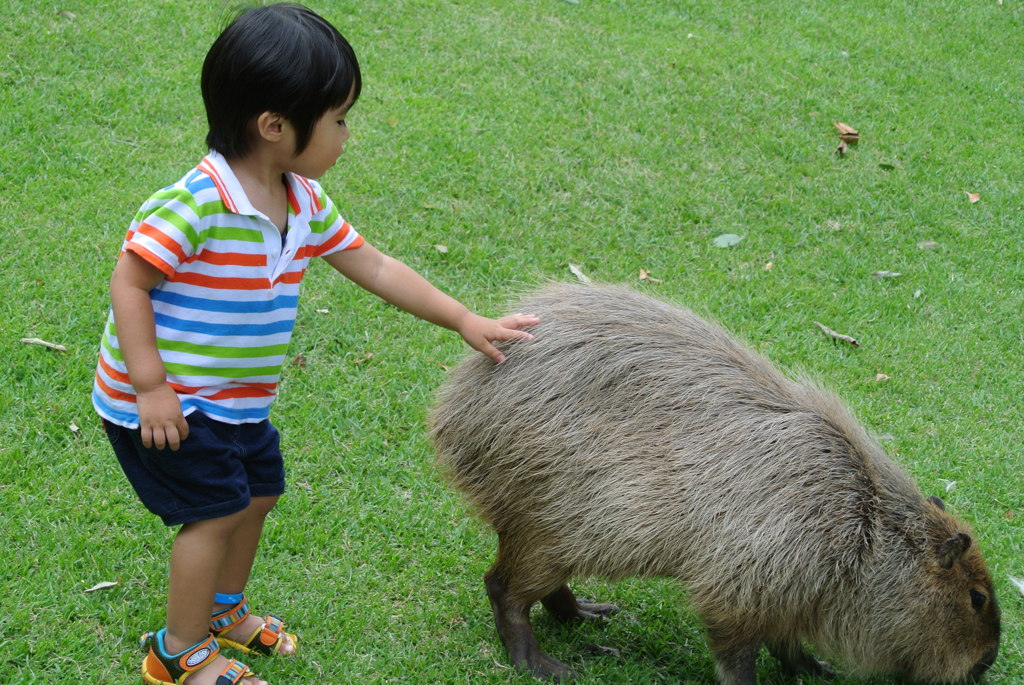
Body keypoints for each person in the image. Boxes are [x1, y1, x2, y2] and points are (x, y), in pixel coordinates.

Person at [92, 4, 537, 684]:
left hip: (236, 402)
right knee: (211, 514)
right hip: (166, 402)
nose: (345, 134)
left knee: (259, 493)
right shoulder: (197, 203)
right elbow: (130, 281)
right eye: (338, 118)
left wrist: (461, 318)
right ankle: (177, 652)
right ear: (274, 126)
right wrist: (150, 385)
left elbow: (375, 265)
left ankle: (222, 610)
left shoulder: (302, 198)